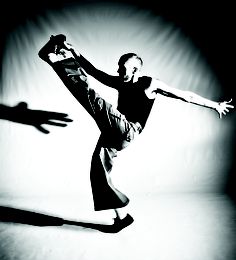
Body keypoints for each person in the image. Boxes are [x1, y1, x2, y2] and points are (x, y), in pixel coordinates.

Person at [38, 34, 234, 233]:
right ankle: (121, 218)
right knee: (98, 171)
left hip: (128, 129)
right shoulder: (120, 82)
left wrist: (215, 105)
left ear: (134, 69)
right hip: (113, 131)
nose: (117, 70)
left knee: (93, 98)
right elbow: (93, 71)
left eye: (122, 67)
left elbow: (186, 96)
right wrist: (74, 52)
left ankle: (54, 59)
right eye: (118, 66)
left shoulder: (150, 84)